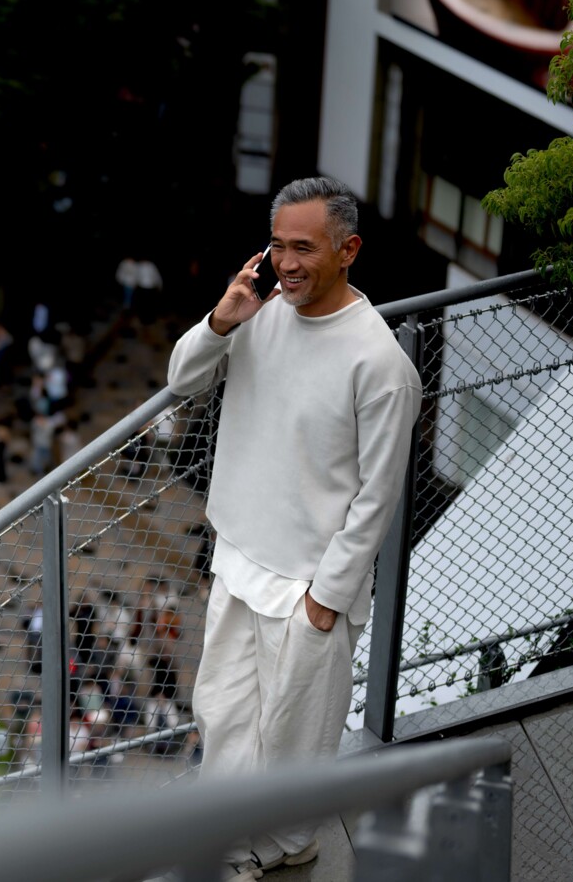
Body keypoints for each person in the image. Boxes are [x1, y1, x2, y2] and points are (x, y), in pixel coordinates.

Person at [166, 177, 420, 880]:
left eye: (303, 247)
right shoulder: (260, 312)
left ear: (349, 250)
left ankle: (279, 849)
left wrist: (326, 598)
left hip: (309, 584)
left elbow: (378, 496)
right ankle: (229, 839)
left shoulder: (380, 364)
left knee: (294, 740)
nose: (286, 262)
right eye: (277, 244)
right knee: (223, 715)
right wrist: (223, 317)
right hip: (239, 555)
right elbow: (182, 381)